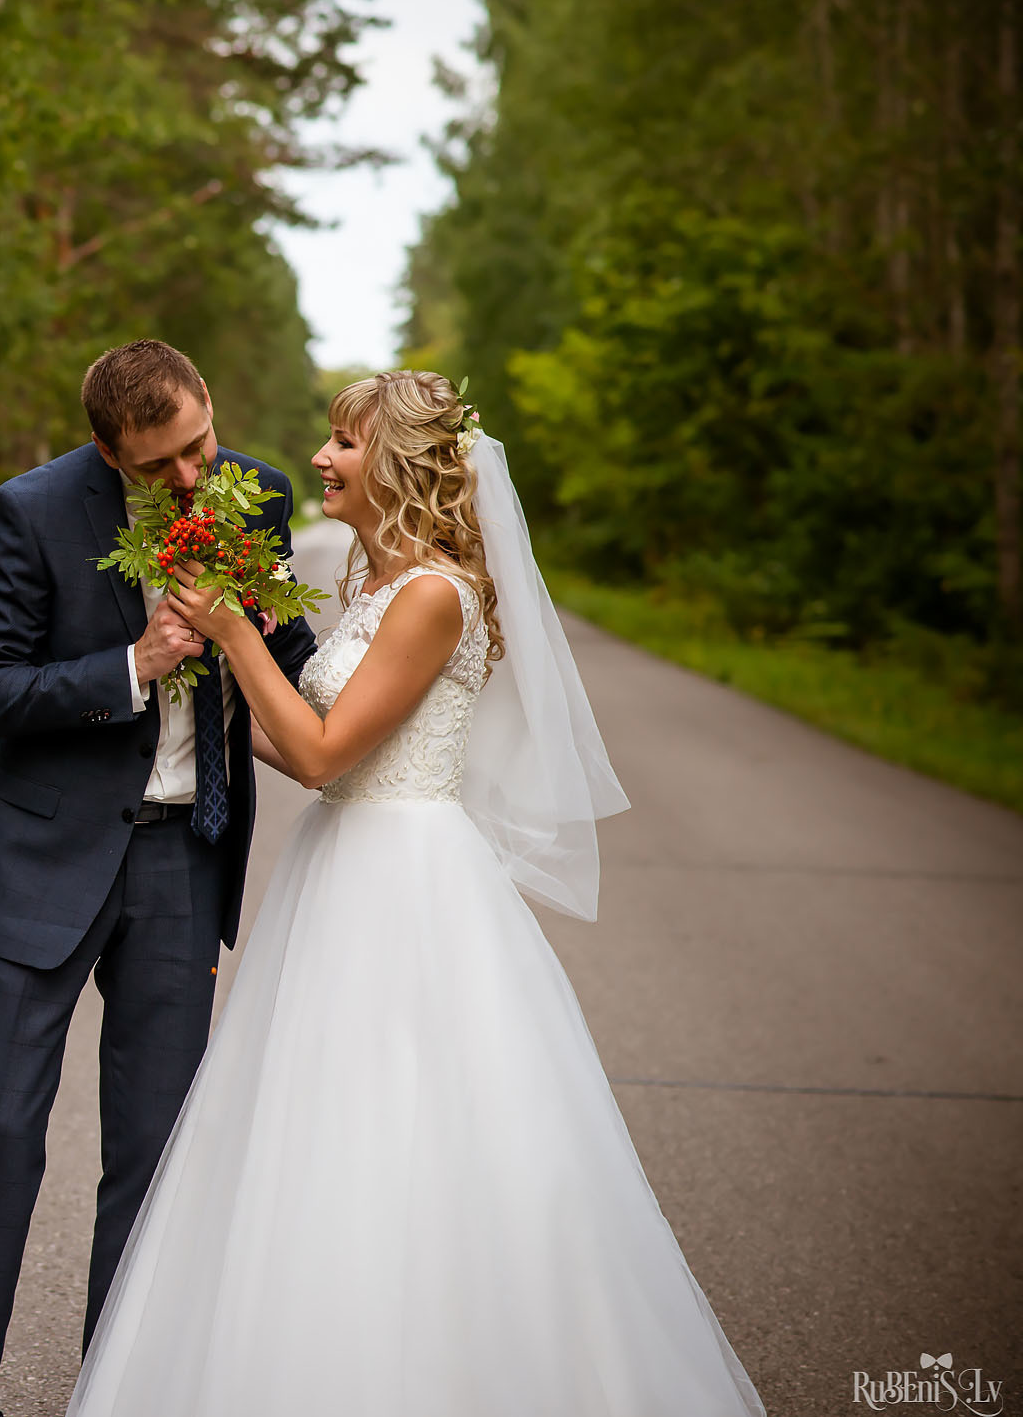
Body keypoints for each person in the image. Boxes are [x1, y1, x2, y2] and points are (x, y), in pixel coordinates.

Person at [63, 370, 765, 1416]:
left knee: (404, 1123)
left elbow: (322, 753)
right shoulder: (372, 586)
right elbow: (283, 736)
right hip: (339, 868)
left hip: (405, 881)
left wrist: (237, 635)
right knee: (306, 1125)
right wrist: (191, 680)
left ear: (394, 462)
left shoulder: (435, 597)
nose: (319, 461)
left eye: (344, 443)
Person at [0, 339, 318, 1417]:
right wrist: (126, 669)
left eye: (199, 445)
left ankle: (118, 1394)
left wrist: (273, 633)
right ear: (106, 451)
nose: (189, 478)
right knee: (3, 1132)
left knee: (153, 1152)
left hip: (185, 855)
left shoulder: (260, 495)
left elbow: (295, 651)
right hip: (44, 856)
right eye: (157, 465)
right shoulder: (31, 510)